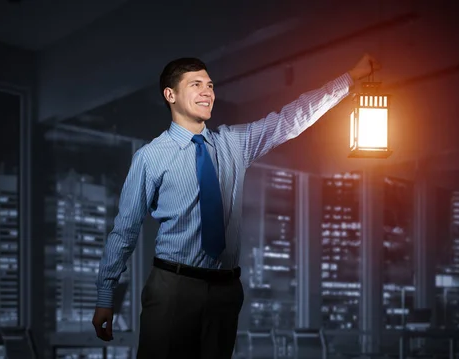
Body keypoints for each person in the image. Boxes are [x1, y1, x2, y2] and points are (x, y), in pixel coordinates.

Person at [92, 53, 381, 358]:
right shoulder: (150, 157)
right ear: (171, 95)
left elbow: (289, 119)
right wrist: (105, 295)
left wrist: (349, 79)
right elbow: (124, 231)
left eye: (210, 85)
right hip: (172, 288)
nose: (207, 92)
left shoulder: (234, 144)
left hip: (225, 292)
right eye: (196, 84)